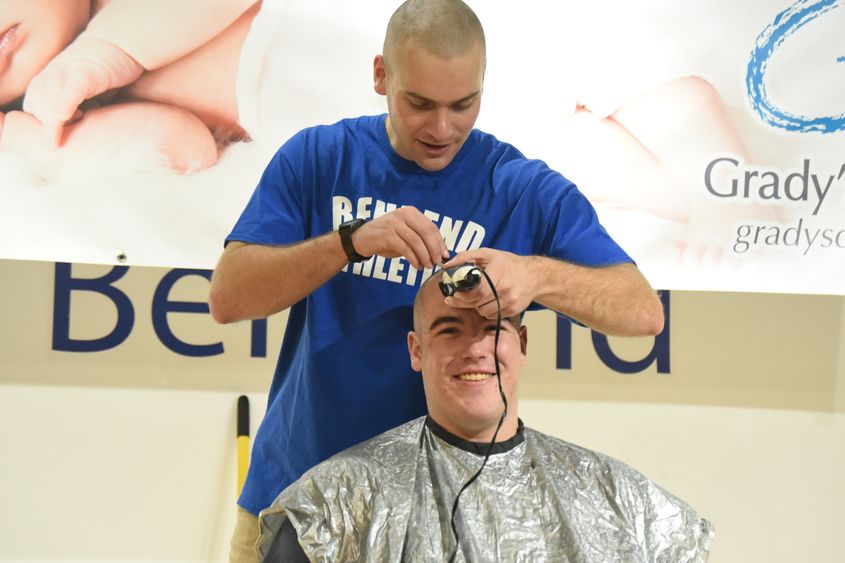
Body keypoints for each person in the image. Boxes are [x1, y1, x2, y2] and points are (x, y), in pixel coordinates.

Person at [208, 0, 665, 559]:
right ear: (381, 75)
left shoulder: (521, 191)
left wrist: (535, 275)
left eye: (463, 104)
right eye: (419, 104)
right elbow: (230, 297)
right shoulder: (318, 159)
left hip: (441, 525)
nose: (442, 128)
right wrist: (350, 242)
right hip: (297, 503)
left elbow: (642, 312)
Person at [255, 271, 713, 562]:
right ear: (417, 350)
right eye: (449, 330)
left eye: (493, 329)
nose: (475, 350)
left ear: (524, 345)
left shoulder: (619, 496)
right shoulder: (334, 502)